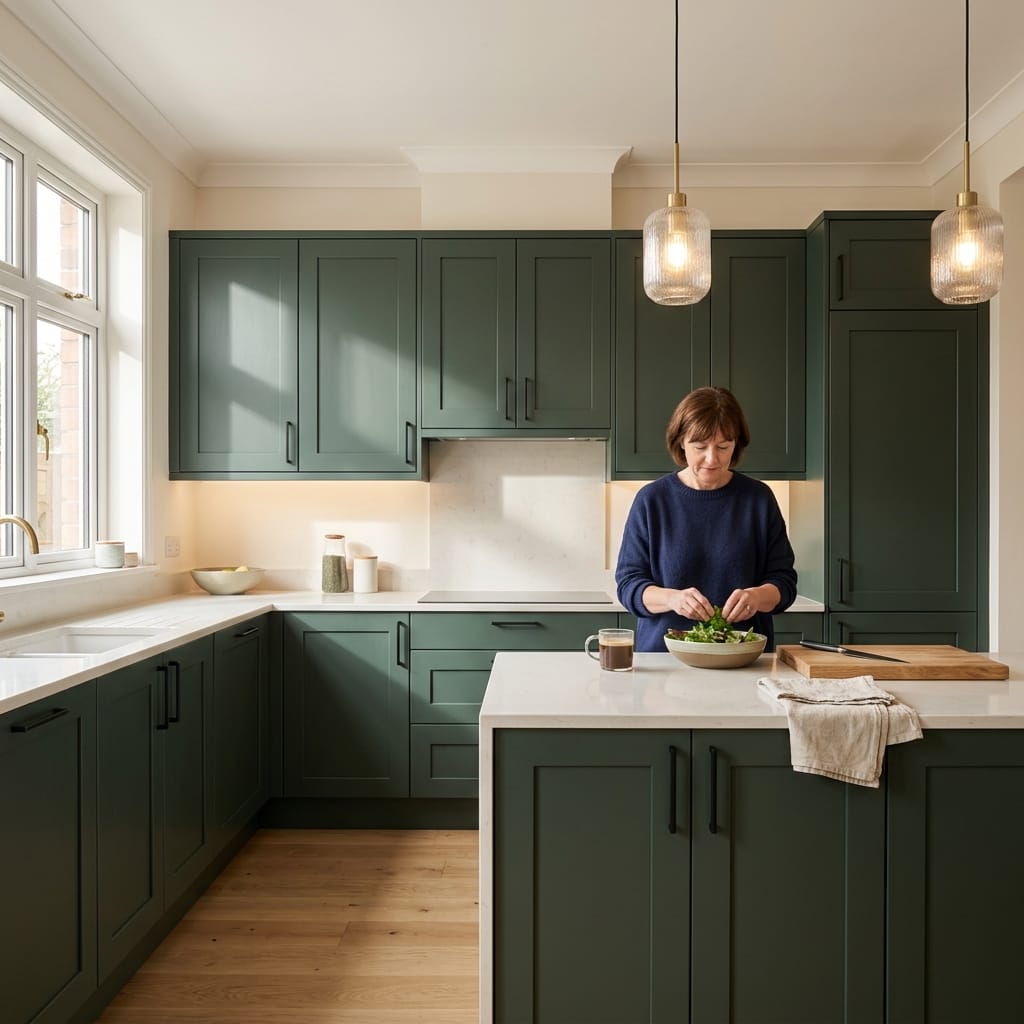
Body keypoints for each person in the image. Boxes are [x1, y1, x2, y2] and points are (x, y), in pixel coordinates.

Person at [615, 386, 797, 652]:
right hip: (664, 660)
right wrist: (672, 599)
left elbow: (784, 582)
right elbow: (629, 585)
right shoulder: (651, 500)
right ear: (681, 442)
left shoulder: (759, 499)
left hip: (743, 659)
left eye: (723, 447)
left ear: (736, 444)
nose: (712, 459)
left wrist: (757, 597)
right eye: (700, 447)